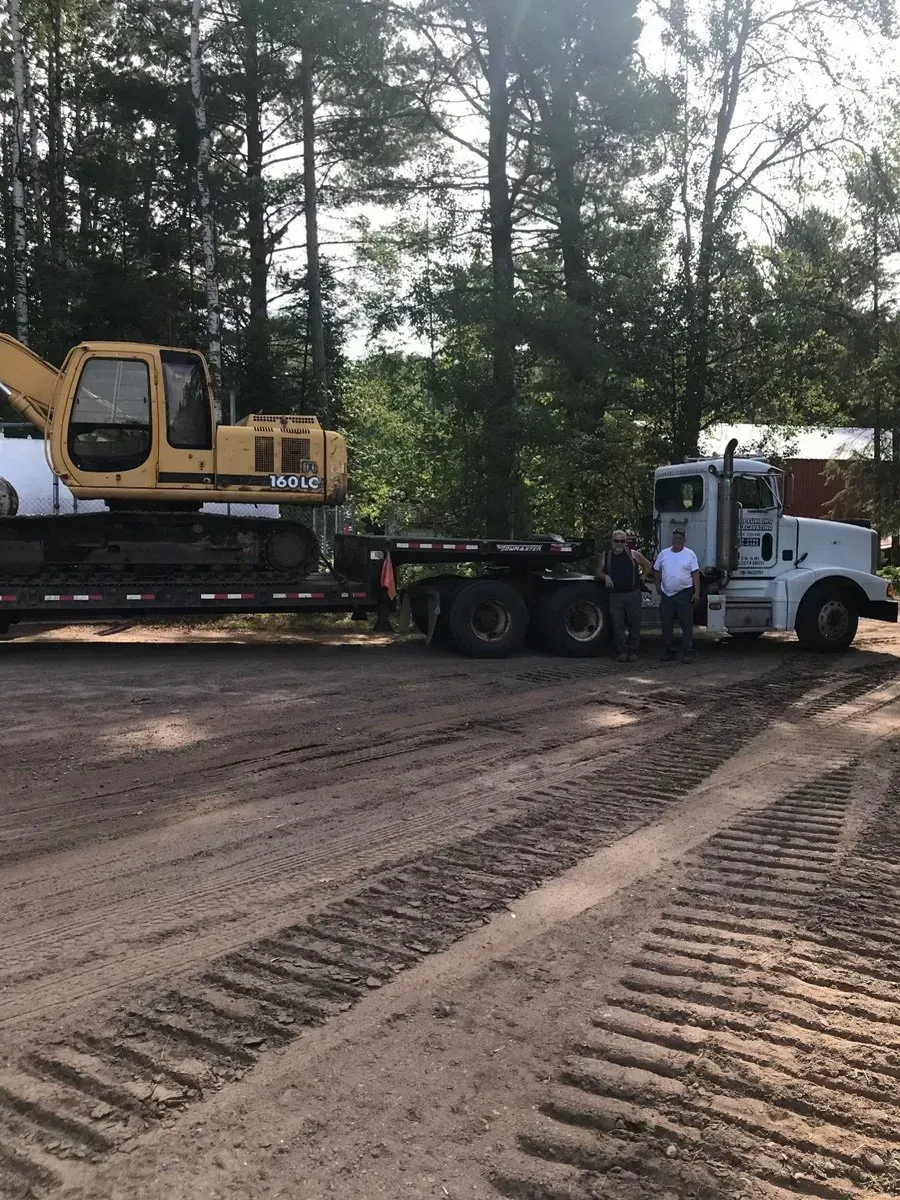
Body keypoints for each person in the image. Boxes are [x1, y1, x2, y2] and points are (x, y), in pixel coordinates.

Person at [597, 529, 653, 662]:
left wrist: (643, 577)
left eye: (622, 541)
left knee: (635, 623)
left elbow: (648, 565)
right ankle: (622, 650)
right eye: (617, 541)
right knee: (618, 624)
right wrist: (605, 577)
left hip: (633, 594)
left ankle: (633, 650)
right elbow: (598, 571)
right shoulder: (606, 556)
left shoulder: (633, 554)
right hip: (616, 596)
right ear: (612, 541)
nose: (619, 544)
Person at [654, 528, 701, 664]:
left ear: (684, 540)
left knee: (686, 625)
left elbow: (695, 574)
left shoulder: (689, 554)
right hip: (667, 595)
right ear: (672, 539)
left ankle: (687, 652)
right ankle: (670, 651)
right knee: (666, 624)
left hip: (684, 594)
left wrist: (696, 593)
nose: (677, 541)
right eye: (675, 538)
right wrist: (658, 585)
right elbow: (656, 570)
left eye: (680, 538)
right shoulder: (664, 554)